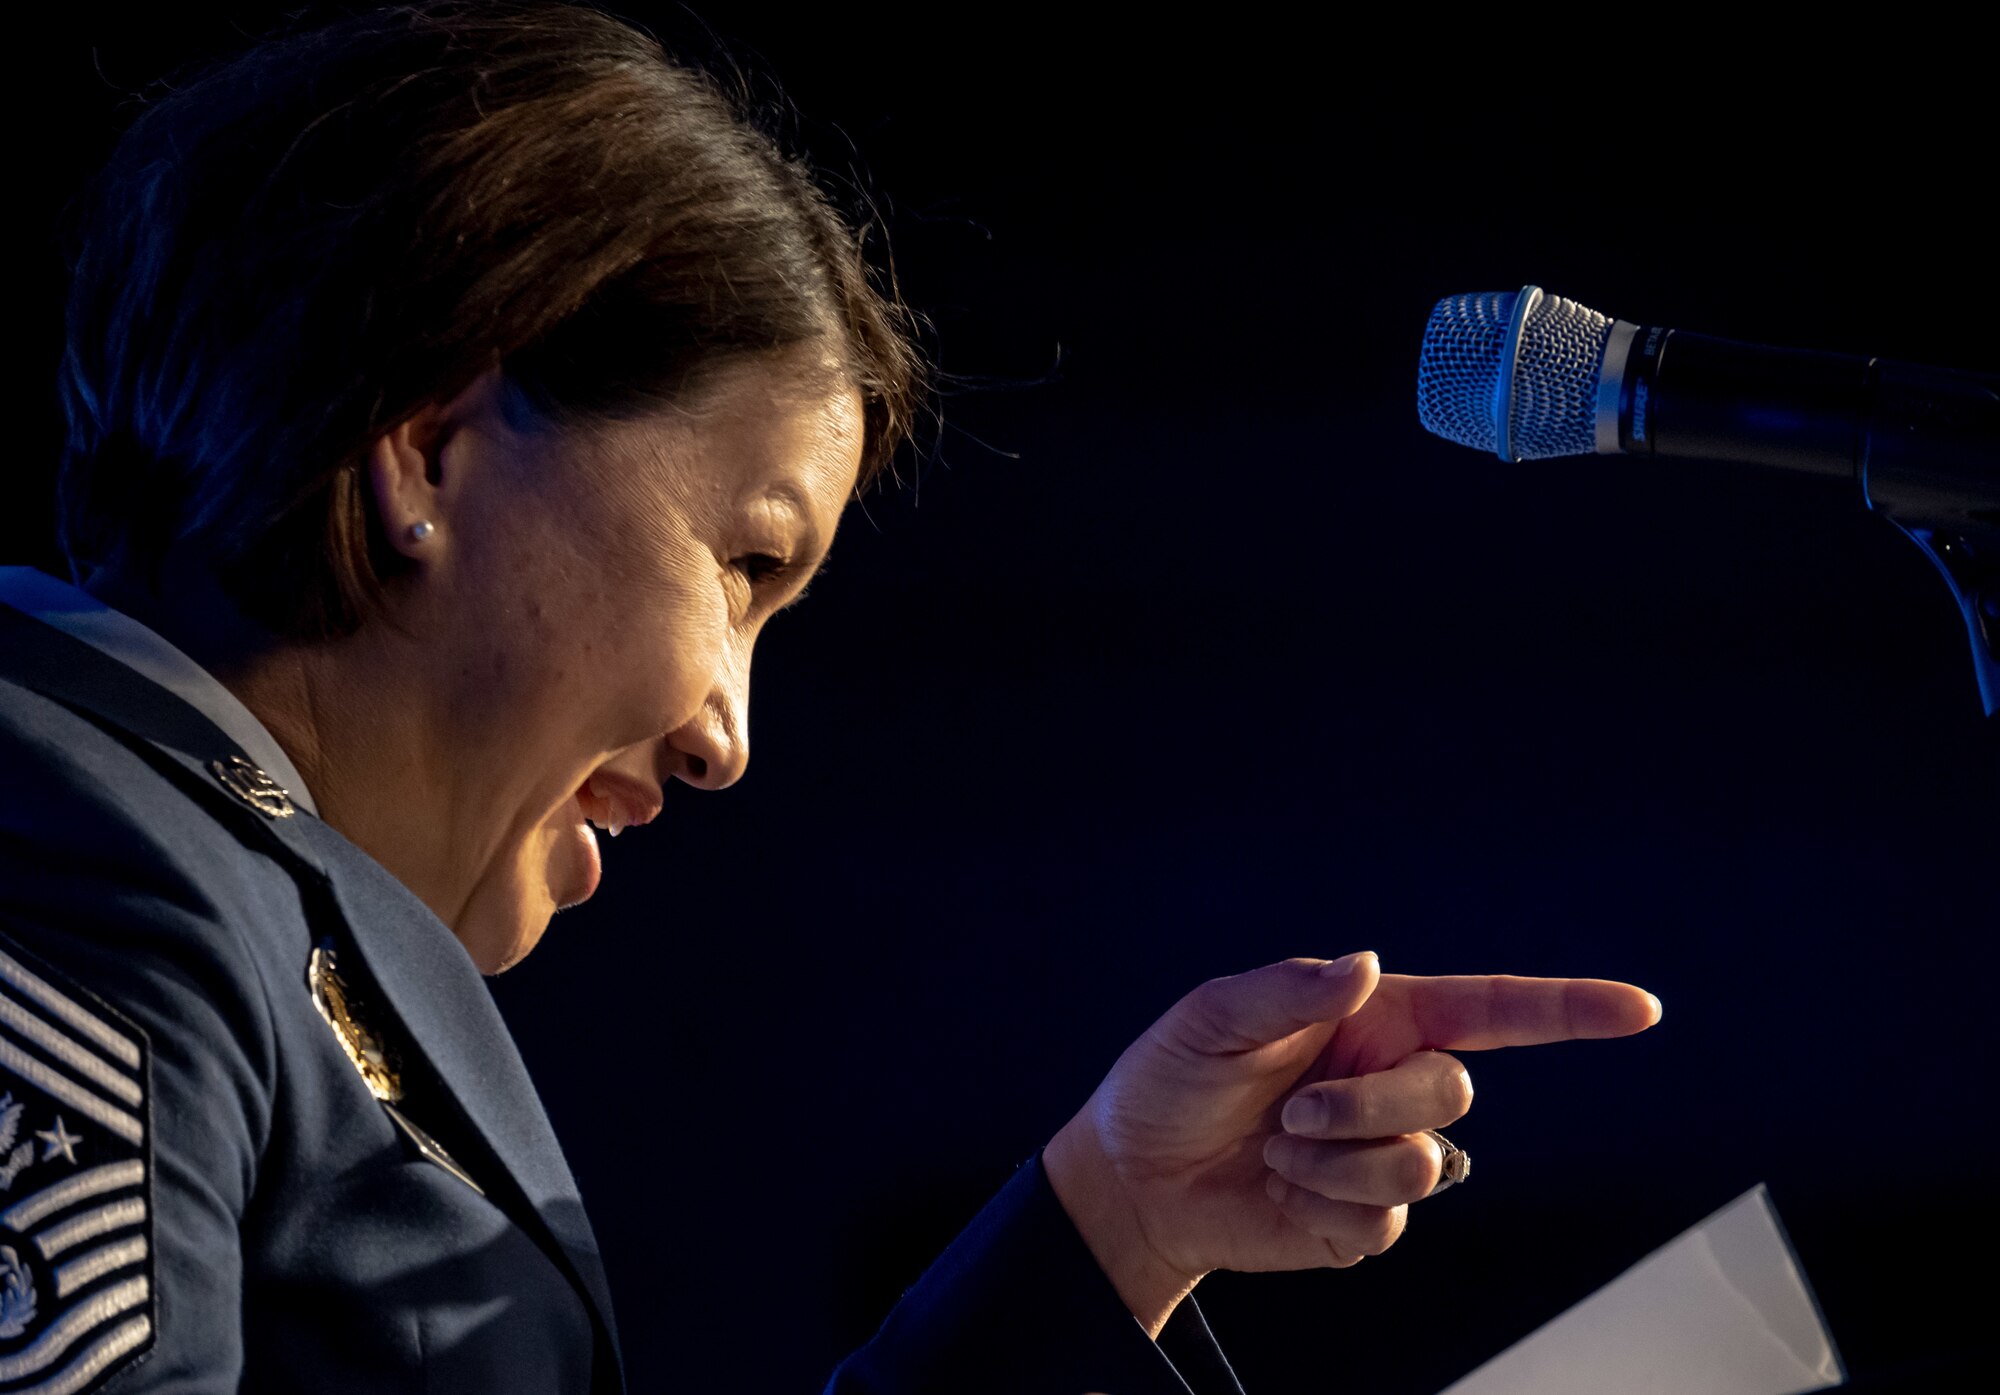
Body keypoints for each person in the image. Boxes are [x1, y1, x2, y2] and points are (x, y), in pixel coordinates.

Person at [0, 4, 1662, 1391]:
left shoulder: (186, 871)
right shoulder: (74, 857)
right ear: (429, 444)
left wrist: (1114, 1231)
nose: (728, 734)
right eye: (740, 563)